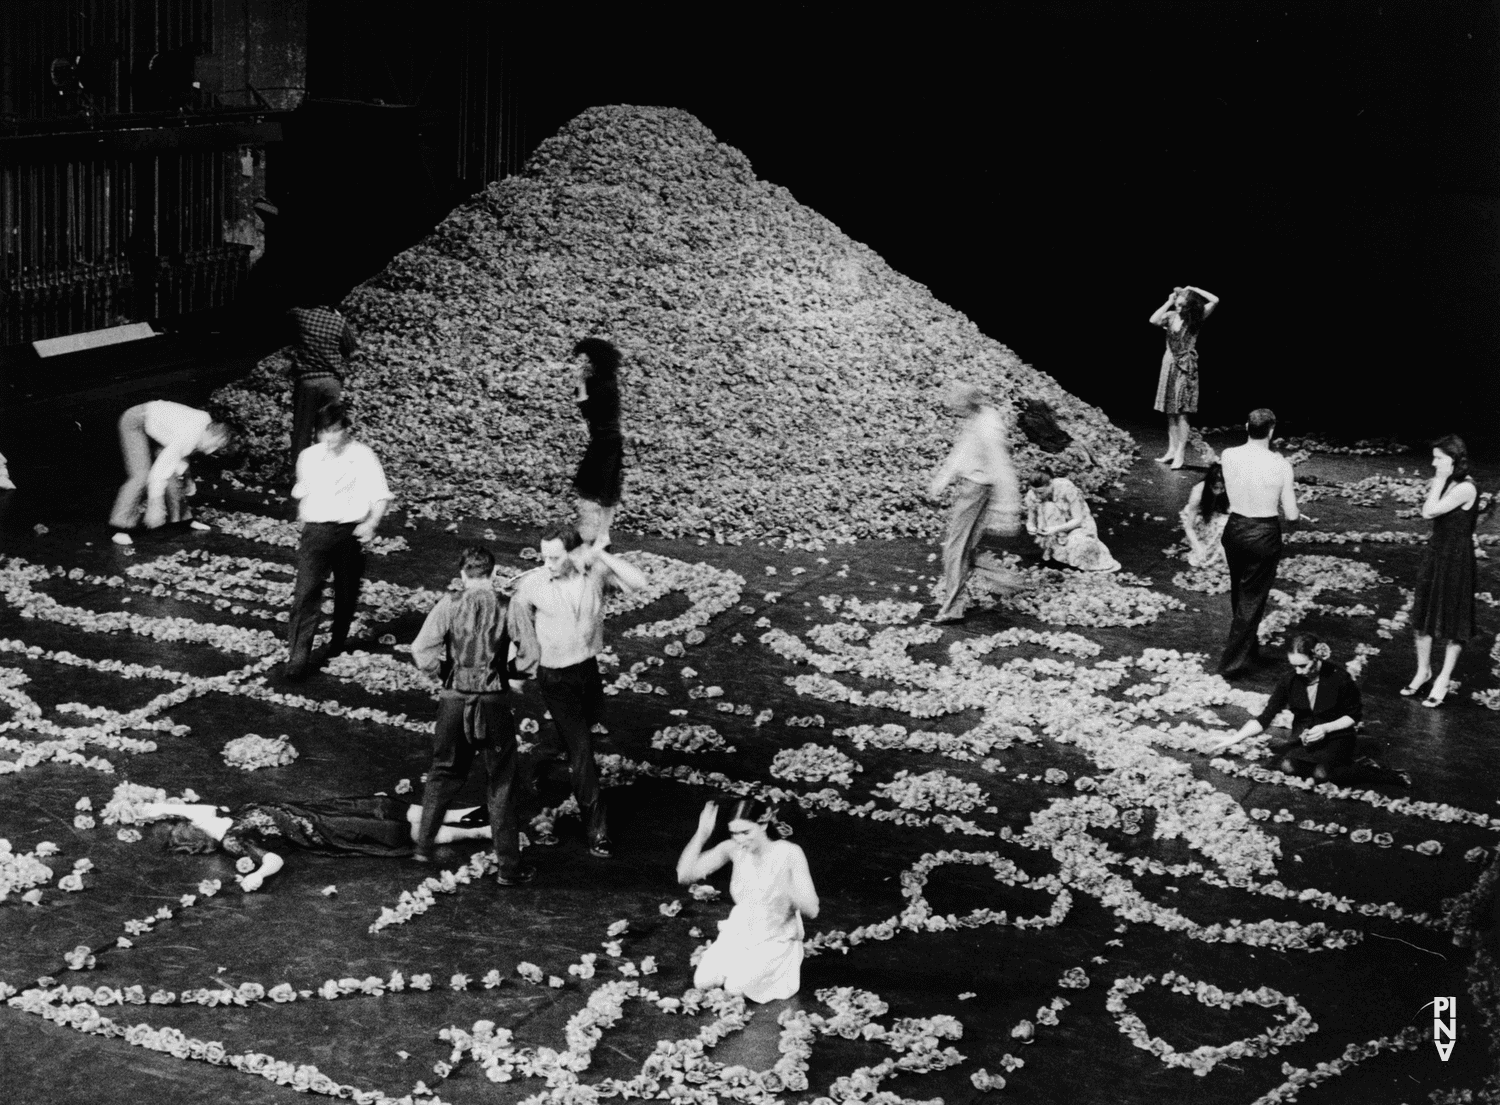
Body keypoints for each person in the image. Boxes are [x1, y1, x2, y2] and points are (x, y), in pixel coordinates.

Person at [507, 524, 648, 858]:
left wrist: (600, 553)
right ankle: (596, 829)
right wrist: (515, 667)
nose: (549, 564)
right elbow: (515, 625)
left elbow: (640, 582)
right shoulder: (533, 583)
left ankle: (539, 765)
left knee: (579, 726)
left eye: (555, 557)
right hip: (553, 675)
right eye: (545, 557)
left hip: (586, 669)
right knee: (582, 749)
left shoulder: (594, 574)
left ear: (572, 553)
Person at [410, 545, 533, 885]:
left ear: (462, 575)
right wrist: (508, 673)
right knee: (502, 781)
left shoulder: (448, 604)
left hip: (453, 700)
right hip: (493, 702)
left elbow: (421, 650)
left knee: (443, 771)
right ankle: (509, 869)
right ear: (494, 574)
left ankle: (423, 847)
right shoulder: (510, 606)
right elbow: (530, 655)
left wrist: (445, 672)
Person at [146, 795, 492, 892]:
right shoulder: (232, 834)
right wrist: (258, 877)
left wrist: (152, 808)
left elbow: (184, 809)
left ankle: (465, 818)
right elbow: (273, 861)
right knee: (387, 822)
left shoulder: (225, 821)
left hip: (320, 816)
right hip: (322, 826)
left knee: (385, 814)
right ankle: (473, 828)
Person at [285, 401, 391, 682]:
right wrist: (304, 517)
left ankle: (337, 643)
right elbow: (303, 490)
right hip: (316, 532)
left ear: (346, 430)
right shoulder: (308, 456)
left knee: (346, 592)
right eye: (323, 432)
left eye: (334, 431)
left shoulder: (363, 456)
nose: (329, 438)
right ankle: (298, 656)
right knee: (306, 591)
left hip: (348, 532)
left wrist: (371, 523)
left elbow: (380, 495)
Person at [676, 798, 819, 1003]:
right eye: (734, 833)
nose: (740, 839)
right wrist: (702, 834)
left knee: (735, 988)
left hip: (775, 938)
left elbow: (812, 910)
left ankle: (774, 968)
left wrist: (787, 888)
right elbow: (685, 875)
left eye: (746, 832)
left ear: (763, 824)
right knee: (703, 982)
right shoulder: (733, 848)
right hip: (740, 933)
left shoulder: (790, 853)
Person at [1202, 633, 1362, 782]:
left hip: (1336, 736)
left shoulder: (1339, 678)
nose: (1299, 671)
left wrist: (1326, 728)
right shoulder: (1290, 680)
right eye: (1294, 666)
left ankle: (1364, 770)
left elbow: (1353, 716)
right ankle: (1323, 766)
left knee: (1322, 774)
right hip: (1305, 739)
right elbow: (1266, 717)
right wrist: (1234, 738)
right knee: (1288, 766)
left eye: (1303, 665)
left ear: (1317, 658)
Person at [928, 382, 1022, 623]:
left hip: (979, 489)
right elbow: (963, 450)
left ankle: (953, 608)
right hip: (971, 485)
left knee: (955, 548)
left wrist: (1008, 507)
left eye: (958, 405)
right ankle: (1005, 580)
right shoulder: (979, 417)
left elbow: (1002, 467)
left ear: (967, 404)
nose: (955, 410)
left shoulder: (988, 427)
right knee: (962, 547)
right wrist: (944, 478)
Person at [1217, 408, 1298, 677]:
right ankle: (1231, 664)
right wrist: (1296, 515)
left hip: (1235, 528)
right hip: (1262, 532)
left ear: (1246, 426)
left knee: (1241, 594)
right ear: (1272, 431)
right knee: (1251, 599)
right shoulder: (1281, 465)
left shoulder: (1228, 455)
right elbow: (1293, 514)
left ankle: (1247, 651)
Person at [1402, 434, 1479, 708]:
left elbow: (1429, 511)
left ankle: (1443, 678)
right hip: (1436, 554)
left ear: (1454, 460)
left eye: (1439, 458)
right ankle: (1423, 670)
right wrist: (1440, 480)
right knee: (1423, 615)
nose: (1434, 464)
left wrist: (1438, 481)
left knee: (1454, 621)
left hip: (1456, 560)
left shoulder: (1466, 488)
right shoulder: (1448, 483)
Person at [108, 401, 236, 546]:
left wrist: (187, 478)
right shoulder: (188, 436)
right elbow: (160, 472)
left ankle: (183, 521)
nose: (210, 452)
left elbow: (180, 456)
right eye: (214, 445)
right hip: (136, 420)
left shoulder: (204, 426)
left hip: (156, 426)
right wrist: (155, 506)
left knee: (173, 475)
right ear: (211, 434)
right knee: (142, 475)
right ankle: (119, 528)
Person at [1150, 285, 1220, 469]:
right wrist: (1169, 302)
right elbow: (1153, 320)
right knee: (1169, 409)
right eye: (1178, 304)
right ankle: (1171, 450)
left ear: (1189, 305)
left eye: (1182, 305)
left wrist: (1194, 288)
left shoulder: (1195, 317)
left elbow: (1215, 300)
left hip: (1185, 366)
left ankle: (1180, 451)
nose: (1179, 308)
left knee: (1182, 410)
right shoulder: (1171, 316)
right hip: (1169, 362)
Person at [286, 303, 358, 472]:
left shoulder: (300, 315)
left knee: (302, 431)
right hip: (331, 384)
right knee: (327, 429)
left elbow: (287, 315)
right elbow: (352, 352)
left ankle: (300, 473)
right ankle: (326, 471)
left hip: (307, 382)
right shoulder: (339, 322)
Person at [571, 338, 625, 547]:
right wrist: (581, 383)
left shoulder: (607, 385)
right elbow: (582, 402)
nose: (582, 364)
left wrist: (581, 383)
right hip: (600, 439)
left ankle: (603, 534)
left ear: (596, 361)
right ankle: (592, 530)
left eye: (586, 361)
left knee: (606, 489)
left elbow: (589, 411)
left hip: (608, 441)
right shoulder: (597, 380)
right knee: (590, 485)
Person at [1028, 476, 1120, 572]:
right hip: (1054, 531)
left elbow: (1078, 520)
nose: (1038, 496)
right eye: (1035, 492)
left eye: (1041, 492)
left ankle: (1073, 565)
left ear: (1050, 485)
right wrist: (1031, 527)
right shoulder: (1033, 494)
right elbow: (1031, 520)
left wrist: (1055, 529)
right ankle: (1051, 556)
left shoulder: (1066, 489)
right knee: (1048, 507)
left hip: (1078, 527)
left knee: (1079, 544)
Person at [1181, 462, 1231, 568]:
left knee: (1225, 527)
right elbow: (1189, 528)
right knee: (1205, 553)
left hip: (1218, 515)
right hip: (1199, 517)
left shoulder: (1231, 490)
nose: (1218, 492)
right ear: (1209, 484)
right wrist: (1198, 548)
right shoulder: (1198, 492)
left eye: (1222, 488)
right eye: (1215, 488)